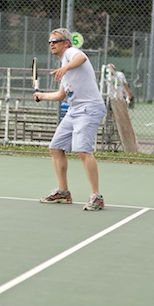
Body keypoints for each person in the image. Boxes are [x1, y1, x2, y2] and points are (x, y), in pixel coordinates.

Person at [34, 28, 106, 211]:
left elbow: (82, 58)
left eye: (55, 41)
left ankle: (96, 197)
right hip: (74, 110)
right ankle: (63, 192)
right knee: (56, 148)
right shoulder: (64, 67)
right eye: (50, 42)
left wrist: (64, 68)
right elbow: (61, 95)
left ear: (66, 43)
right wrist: (42, 95)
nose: (51, 44)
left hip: (89, 108)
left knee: (83, 151)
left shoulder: (71, 54)